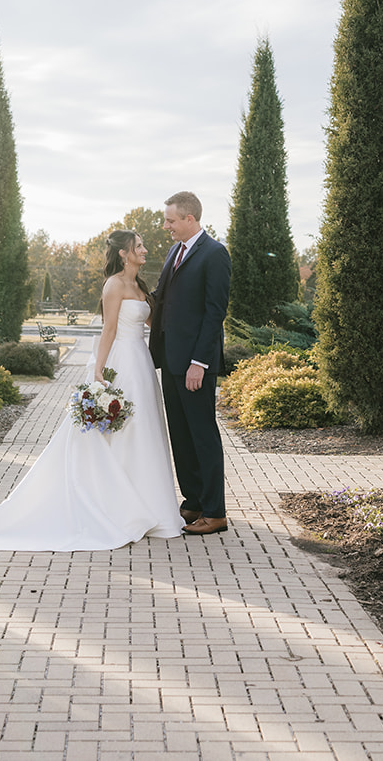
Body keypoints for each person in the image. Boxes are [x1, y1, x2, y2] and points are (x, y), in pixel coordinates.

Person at [0, 230, 183, 550]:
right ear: (123, 254)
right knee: (120, 431)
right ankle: (120, 508)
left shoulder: (141, 286)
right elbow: (110, 330)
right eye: (139, 246)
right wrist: (99, 370)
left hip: (141, 363)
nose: (145, 250)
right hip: (121, 364)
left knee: (144, 431)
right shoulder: (114, 285)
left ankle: (150, 507)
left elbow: (152, 321)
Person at [149, 191, 232, 536]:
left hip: (195, 363)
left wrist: (199, 361)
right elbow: (163, 297)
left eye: (170, 220)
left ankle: (215, 512)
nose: (165, 226)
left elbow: (215, 313)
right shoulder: (174, 251)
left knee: (202, 434)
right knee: (181, 435)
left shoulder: (215, 254)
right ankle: (193, 502)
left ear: (189, 219)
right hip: (170, 359)